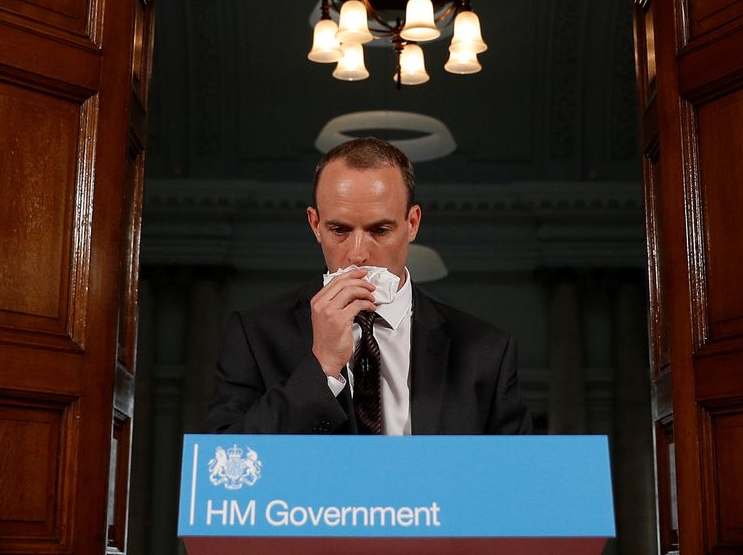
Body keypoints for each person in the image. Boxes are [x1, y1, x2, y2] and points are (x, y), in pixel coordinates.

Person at [206, 136, 532, 435]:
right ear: (315, 224)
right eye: (339, 230)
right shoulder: (255, 335)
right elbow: (227, 467)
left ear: (413, 223)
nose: (358, 254)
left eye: (380, 230)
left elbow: (517, 479)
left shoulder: (485, 350)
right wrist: (321, 366)